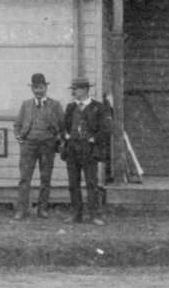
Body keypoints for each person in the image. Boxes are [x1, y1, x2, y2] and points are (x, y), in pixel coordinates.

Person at [12, 73, 64, 220]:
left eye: (41, 87)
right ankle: (21, 210)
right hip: (28, 145)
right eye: (35, 88)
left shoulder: (55, 105)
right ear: (32, 89)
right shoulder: (26, 105)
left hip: (48, 145)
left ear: (46, 88)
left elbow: (63, 126)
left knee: (45, 178)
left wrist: (57, 141)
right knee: (24, 178)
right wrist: (20, 140)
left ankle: (42, 209)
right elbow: (17, 125)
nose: (38, 91)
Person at [60, 77, 107, 226]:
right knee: (73, 183)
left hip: (89, 150)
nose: (74, 92)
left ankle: (94, 216)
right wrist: (66, 136)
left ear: (85, 90)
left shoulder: (98, 107)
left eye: (77, 89)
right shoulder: (70, 107)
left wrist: (94, 139)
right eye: (73, 89)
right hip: (72, 149)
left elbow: (106, 128)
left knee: (91, 183)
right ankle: (76, 214)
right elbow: (63, 127)